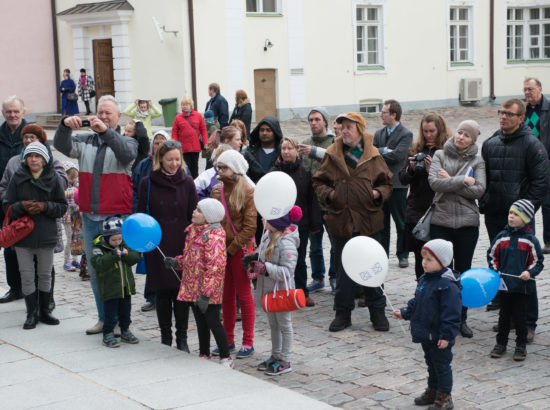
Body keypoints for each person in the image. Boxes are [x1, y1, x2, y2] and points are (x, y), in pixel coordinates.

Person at [54, 95, 138, 335]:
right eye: (99, 112)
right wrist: (64, 126)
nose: (102, 117)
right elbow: (62, 145)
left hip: (118, 217)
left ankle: (123, 323)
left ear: (118, 117)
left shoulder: (127, 141)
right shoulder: (85, 140)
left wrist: (105, 133)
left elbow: (125, 155)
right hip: (91, 217)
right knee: (95, 269)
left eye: (108, 113)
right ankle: (104, 319)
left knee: (120, 268)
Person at [312, 112, 393, 332]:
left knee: (372, 268)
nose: (344, 130)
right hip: (341, 220)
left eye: (350, 127)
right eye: (342, 126)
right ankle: (343, 314)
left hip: (368, 220)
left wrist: (377, 193)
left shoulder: (373, 154)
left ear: (360, 129)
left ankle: (377, 312)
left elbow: (387, 183)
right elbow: (319, 180)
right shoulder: (332, 153)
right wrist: (329, 195)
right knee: (344, 271)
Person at [480, 98, 548, 342]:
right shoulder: (490, 143)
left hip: (520, 221)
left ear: (521, 118)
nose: (503, 117)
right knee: (502, 268)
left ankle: (528, 323)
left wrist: (523, 212)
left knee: (524, 272)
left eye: (509, 114)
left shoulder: (532, 145)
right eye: (501, 112)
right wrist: (485, 200)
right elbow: (483, 177)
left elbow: (541, 183)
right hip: (496, 216)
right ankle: (507, 319)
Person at [0, 123, 68, 312]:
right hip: (22, 225)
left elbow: (61, 191)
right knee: (24, 268)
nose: (29, 140)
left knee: (45, 268)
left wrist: (43, 201)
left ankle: (47, 302)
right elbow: (5, 189)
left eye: (33, 137)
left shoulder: (51, 163)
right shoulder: (14, 162)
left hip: (45, 226)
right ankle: (23, 298)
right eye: (26, 137)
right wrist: (19, 205)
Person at [137, 140, 197, 351]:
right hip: (157, 244)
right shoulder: (148, 182)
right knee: (162, 292)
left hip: (182, 242)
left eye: (177, 159)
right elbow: (142, 214)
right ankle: (165, 337)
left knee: (180, 291)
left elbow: (193, 216)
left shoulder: (188, 182)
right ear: (160, 159)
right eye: (169, 159)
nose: (173, 164)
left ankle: (182, 338)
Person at [428, 120, 485, 339]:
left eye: (466, 135)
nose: (461, 137)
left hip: (466, 225)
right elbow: (434, 183)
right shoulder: (440, 155)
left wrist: (449, 180)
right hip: (440, 222)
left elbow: (479, 190)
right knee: (442, 274)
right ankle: (442, 317)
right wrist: (462, 180)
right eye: (459, 132)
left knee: (463, 274)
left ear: (473, 140)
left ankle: (461, 319)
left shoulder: (478, 161)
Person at [393, 239, 461, 410]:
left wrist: (446, 336)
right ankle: (433, 390)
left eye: (429, 259)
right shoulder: (424, 279)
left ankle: (445, 397)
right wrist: (405, 313)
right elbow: (418, 302)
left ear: (442, 261)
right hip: (426, 333)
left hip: (439, 336)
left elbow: (451, 314)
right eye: (423, 258)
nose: (424, 262)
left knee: (442, 366)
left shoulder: (447, 285)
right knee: (431, 364)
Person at [164, 198, 233, 367]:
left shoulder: (214, 238)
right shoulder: (194, 231)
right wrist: (177, 262)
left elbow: (215, 268)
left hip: (208, 292)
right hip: (194, 288)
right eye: (195, 209)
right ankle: (204, 352)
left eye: (199, 210)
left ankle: (225, 356)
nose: (194, 212)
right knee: (201, 323)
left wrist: (206, 293)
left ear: (209, 217)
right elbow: (190, 258)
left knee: (213, 322)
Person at [210, 149, 257, 358]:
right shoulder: (216, 190)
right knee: (226, 296)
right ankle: (227, 339)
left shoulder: (247, 190)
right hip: (223, 250)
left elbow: (250, 227)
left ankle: (248, 341)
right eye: (218, 166)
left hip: (240, 249)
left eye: (224, 167)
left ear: (235, 169)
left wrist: (231, 250)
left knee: (244, 295)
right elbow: (213, 221)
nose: (219, 170)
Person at [248, 206, 301, 375]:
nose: (262, 220)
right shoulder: (267, 236)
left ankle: (285, 359)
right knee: (273, 324)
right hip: (268, 290)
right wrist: (254, 266)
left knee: (285, 324)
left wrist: (265, 268)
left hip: (281, 291)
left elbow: (287, 271)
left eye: (266, 218)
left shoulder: (286, 242)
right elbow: (261, 258)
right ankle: (275, 355)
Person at [488, 200, 543, 362]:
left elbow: (537, 262)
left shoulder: (530, 240)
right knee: (503, 317)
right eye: (510, 213)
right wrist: (495, 270)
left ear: (526, 219)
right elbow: (492, 255)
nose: (511, 217)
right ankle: (500, 344)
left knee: (521, 318)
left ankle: (521, 346)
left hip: (522, 288)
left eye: (516, 215)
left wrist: (529, 272)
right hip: (504, 287)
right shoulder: (501, 237)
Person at [398, 113, 451, 279]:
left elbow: (450, 179)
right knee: (421, 255)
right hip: (416, 208)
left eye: (432, 131)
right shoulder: (416, 149)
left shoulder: (447, 150)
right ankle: (421, 288)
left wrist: (431, 171)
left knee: (439, 255)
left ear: (440, 130)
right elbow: (402, 178)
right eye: (425, 131)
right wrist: (412, 168)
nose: (428, 135)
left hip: (438, 208)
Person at [271, 137, 322, 307]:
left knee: (299, 259)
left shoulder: (305, 172)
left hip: (301, 225)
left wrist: (315, 224)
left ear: (296, 151)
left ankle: (302, 292)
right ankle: (281, 292)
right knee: (279, 259)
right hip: (279, 225)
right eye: (283, 148)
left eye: (289, 148)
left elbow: (312, 200)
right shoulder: (274, 172)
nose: (286, 152)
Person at [298, 107, 336, 294]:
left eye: (317, 119)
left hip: (330, 203)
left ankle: (334, 277)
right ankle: (318, 277)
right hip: (311, 205)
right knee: (314, 245)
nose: (313, 123)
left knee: (335, 243)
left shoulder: (334, 142)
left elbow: (337, 159)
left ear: (325, 122)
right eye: (311, 120)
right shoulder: (305, 143)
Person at [131, 130, 169, 312]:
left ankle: (173, 294)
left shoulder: (174, 165)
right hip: (149, 218)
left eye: (163, 141)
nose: (159, 145)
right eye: (156, 142)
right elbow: (136, 192)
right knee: (152, 259)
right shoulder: (143, 165)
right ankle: (151, 296)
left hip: (170, 219)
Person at [374, 100, 413, 268]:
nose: (381, 115)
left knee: (401, 221)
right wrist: (385, 151)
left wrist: (381, 151)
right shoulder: (378, 133)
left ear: (393, 115)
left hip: (398, 184)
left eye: (384, 112)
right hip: (381, 183)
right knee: (382, 223)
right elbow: (372, 153)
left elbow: (398, 156)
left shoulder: (406, 134)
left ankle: (403, 254)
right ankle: (382, 254)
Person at [91, 215, 141, 348]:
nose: (118, 242)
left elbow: (135, 258)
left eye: (120, 238)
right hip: (110, 288)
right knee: (111, 314)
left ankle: (125, 330)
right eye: (114, 240)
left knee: (126, 312)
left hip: (126, 288)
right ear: (107, 238)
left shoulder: (125, 244)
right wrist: (113, 255)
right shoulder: (98, 247)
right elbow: (98, 264)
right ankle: (107, 334)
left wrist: (127, 255)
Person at [0, 96, 26, 304]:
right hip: (2, 201)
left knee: (31, 247)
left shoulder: (30, 134)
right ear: (3, 113)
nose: (12, 115)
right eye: (9, 111)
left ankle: (37, 291)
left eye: (16, 111)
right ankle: (15, 287)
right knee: (8, 244)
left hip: (26, 201)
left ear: (23, 112)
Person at [244, 117, 283, 245]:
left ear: (275, 132)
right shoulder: (250, 153)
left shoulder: (282, 153)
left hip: (276, 202)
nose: (264, 133)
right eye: (262, 130)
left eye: (268, 130)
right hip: (255, 202)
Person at [523, 78, 550, 253]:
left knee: (548, 203)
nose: (527, 93)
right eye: (525, 89)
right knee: (527, 203)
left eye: (530, 89)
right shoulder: (522, 110)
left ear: (540, 89)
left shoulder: (547, 108)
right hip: (527, 162)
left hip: (546, 162)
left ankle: (548, 241)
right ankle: (527, 240)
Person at [171, 98, 208, 179]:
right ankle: (187, 183)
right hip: (183, 148)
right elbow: (174, 132)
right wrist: (175, 145)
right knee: (186, 167)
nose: (184, 107)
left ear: (191, 106)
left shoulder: (198, 116)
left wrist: (205, 143)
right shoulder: (178, 118)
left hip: (195, 147)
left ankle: (195, 185)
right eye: (183, 105)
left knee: (195, 167)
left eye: (186, 105)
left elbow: (203, 130)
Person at [61, 162, 84, 273]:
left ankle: (75, 259)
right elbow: (65, 194)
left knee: (76, 238)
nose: (72, 180)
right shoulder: (63, 187)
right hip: (67, 218)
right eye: (70, 178)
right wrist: (75, 189)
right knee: (70, 239)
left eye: (73, 178)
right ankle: (66, 261)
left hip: (76, 217)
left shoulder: (75, 185)